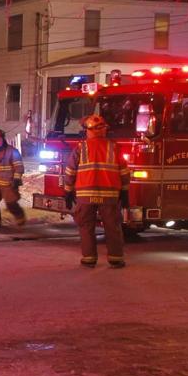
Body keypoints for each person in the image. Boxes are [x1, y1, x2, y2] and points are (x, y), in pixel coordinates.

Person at [63, 114, 130, 268]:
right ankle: (116, 258)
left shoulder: (81, 148)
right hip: (110, 195)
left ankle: (89, 258)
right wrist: (125, 192)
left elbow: (70, 171)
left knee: (86, 226)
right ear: (103, 129)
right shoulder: (114, 147)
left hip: (85, 195)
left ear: (89, 130)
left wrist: (68, 191)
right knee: (112, 227)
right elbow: (124, 172)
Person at [0, 128, 26, 227]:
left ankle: (20, 217)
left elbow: (19, 167)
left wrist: (16, 180)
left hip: (8, 183)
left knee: (11, 204)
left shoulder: (13, 151)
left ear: (3, 138)